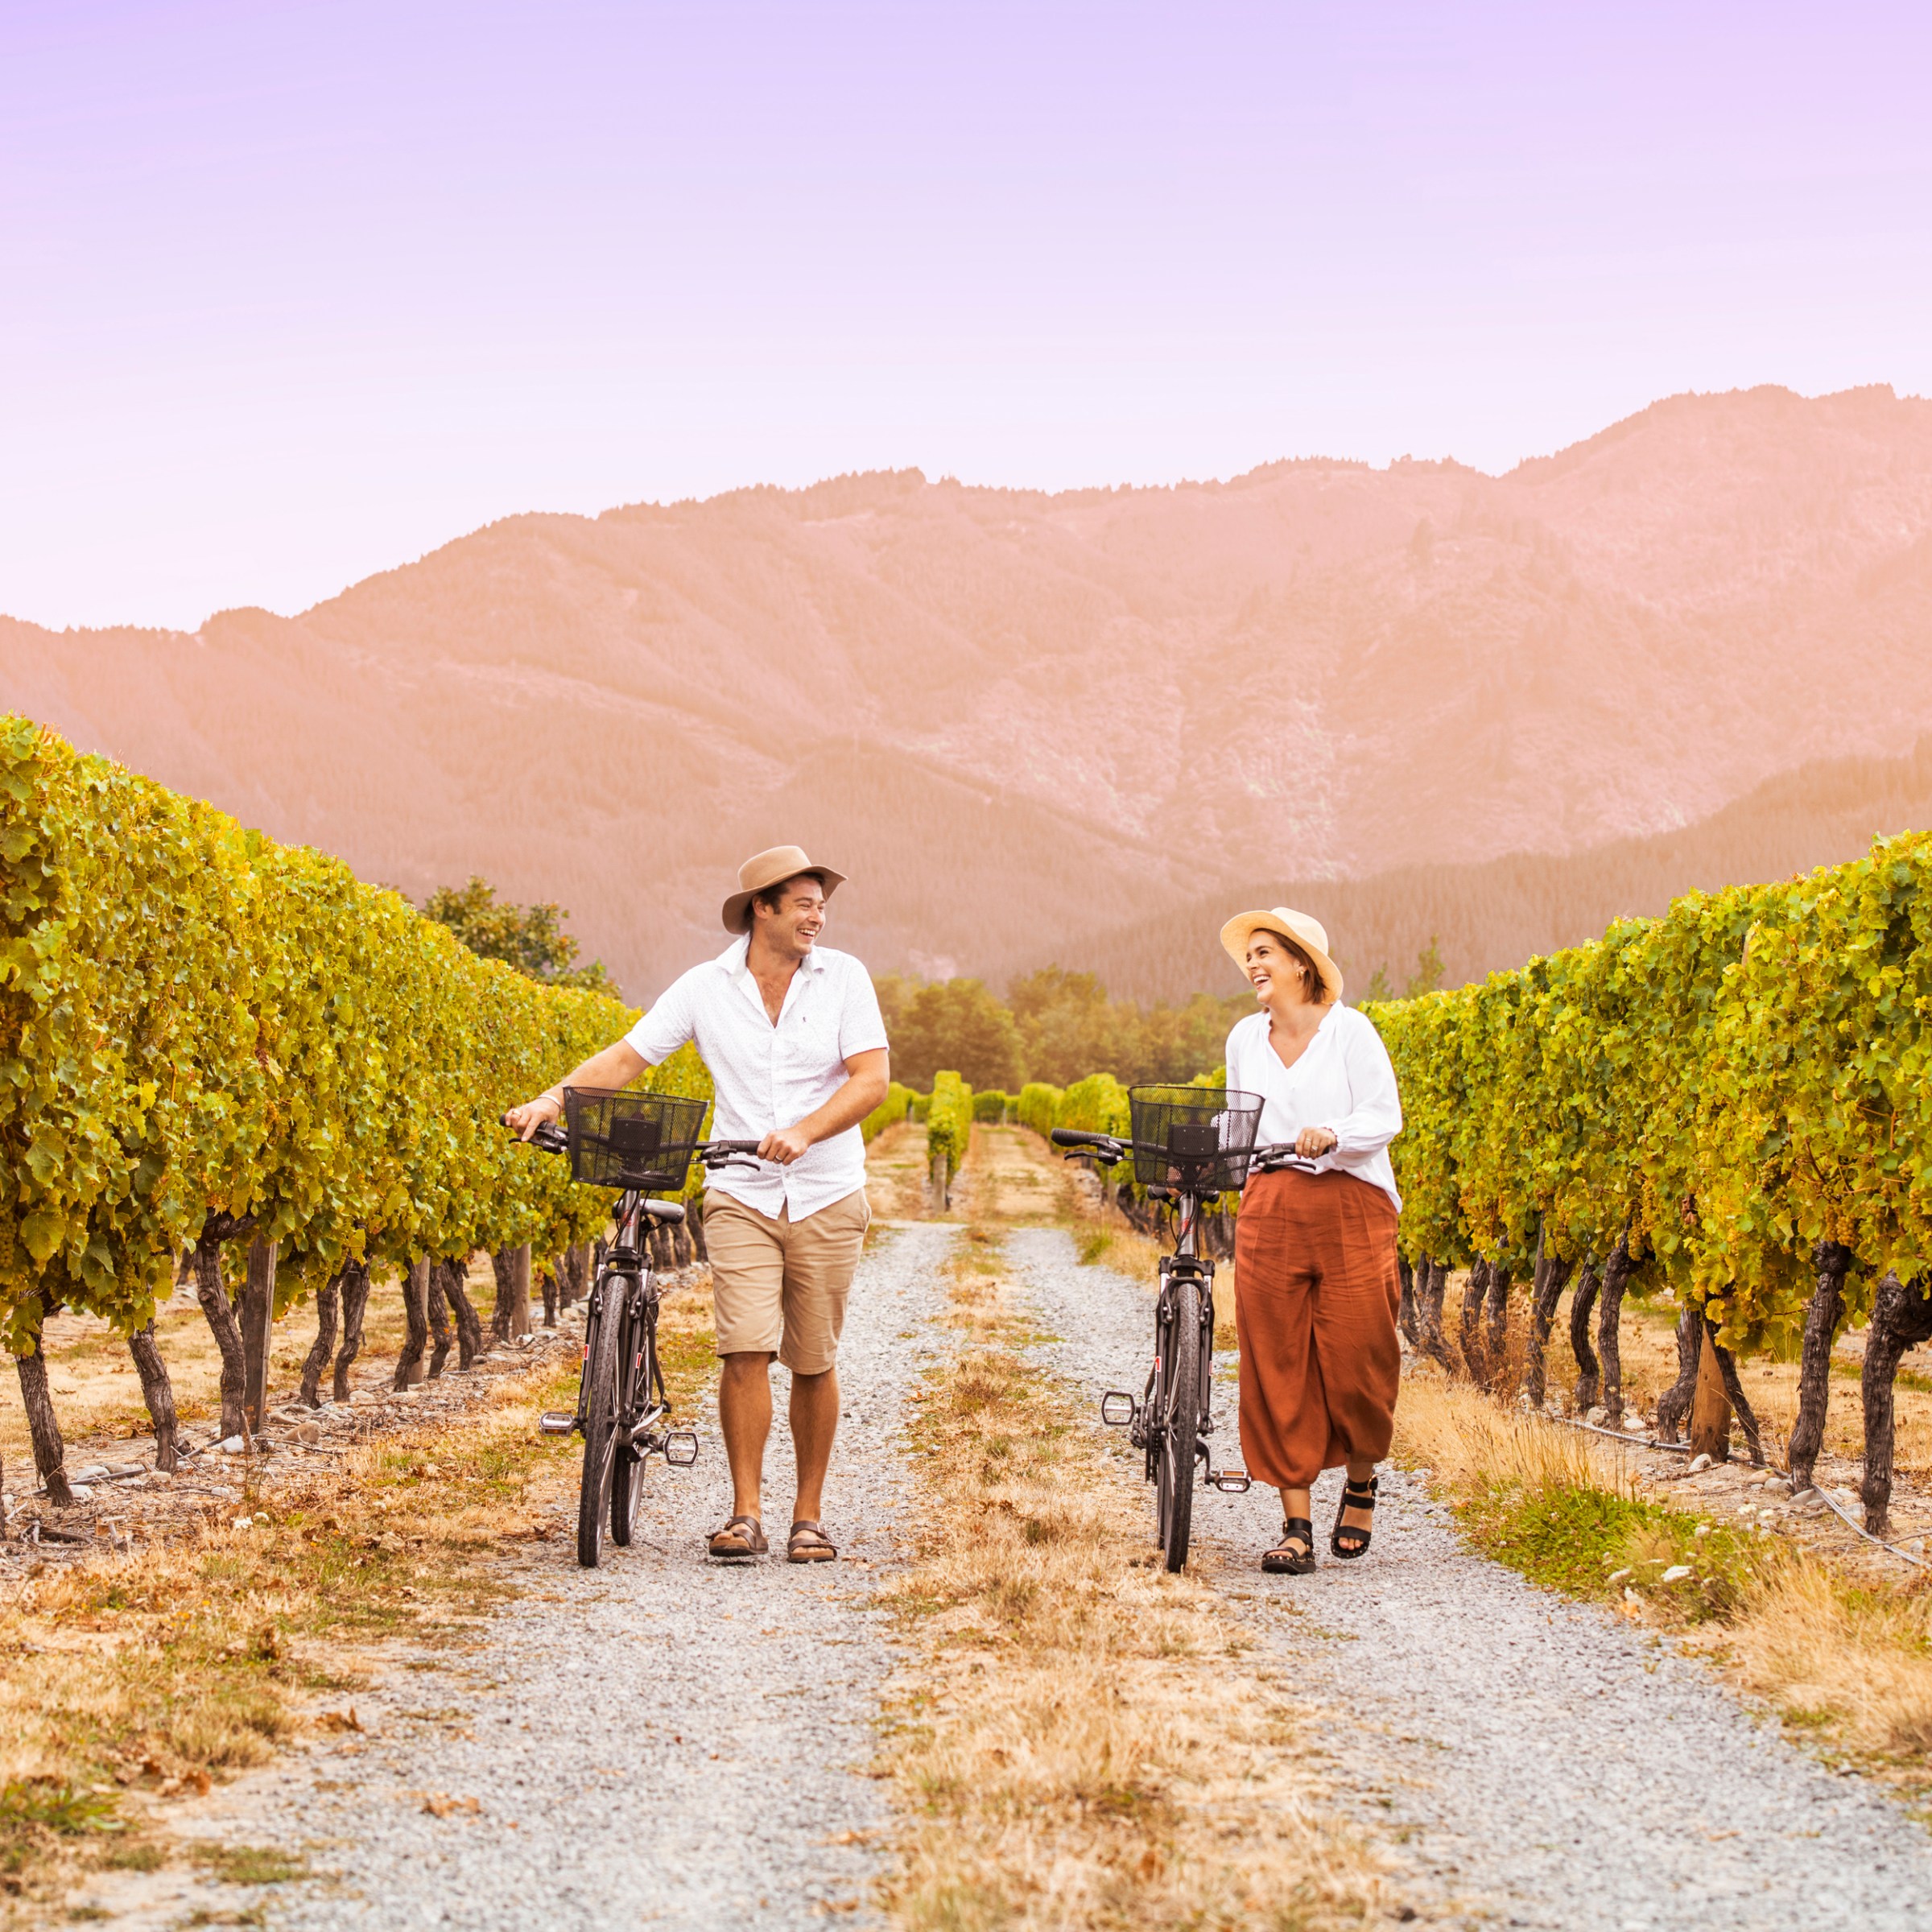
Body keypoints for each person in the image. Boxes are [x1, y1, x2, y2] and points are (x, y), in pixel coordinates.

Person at [507, 846, 889, 1565]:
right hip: (741, 1190)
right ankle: (746, 1514)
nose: (818, 915)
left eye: (821, 903)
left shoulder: (845, 979)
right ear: (761, 910)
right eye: (803, 903)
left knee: (812, 1358)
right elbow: (629, 1056)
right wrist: (553, 1098)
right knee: (743, 1349)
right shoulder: (704, 987)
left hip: (829, 1189)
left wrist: (805, 1133)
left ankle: (809, 1515)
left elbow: (872, 1080)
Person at [1220, 906, 1403, 1575]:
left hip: (1351, 1203)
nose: (1254, 964)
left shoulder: (1351, 1032)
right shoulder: (1244, 1037)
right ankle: (1295, 1523)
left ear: (1303, 963)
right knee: (1275, 1359)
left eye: (1265, 952)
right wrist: (1207, 1145)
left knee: (1360, 1355)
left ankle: (1361, 1479)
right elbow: (1240, 1116)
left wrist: (1333, 1133)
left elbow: (1384, 1115)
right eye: (1250, 955)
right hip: (1271, 1206)